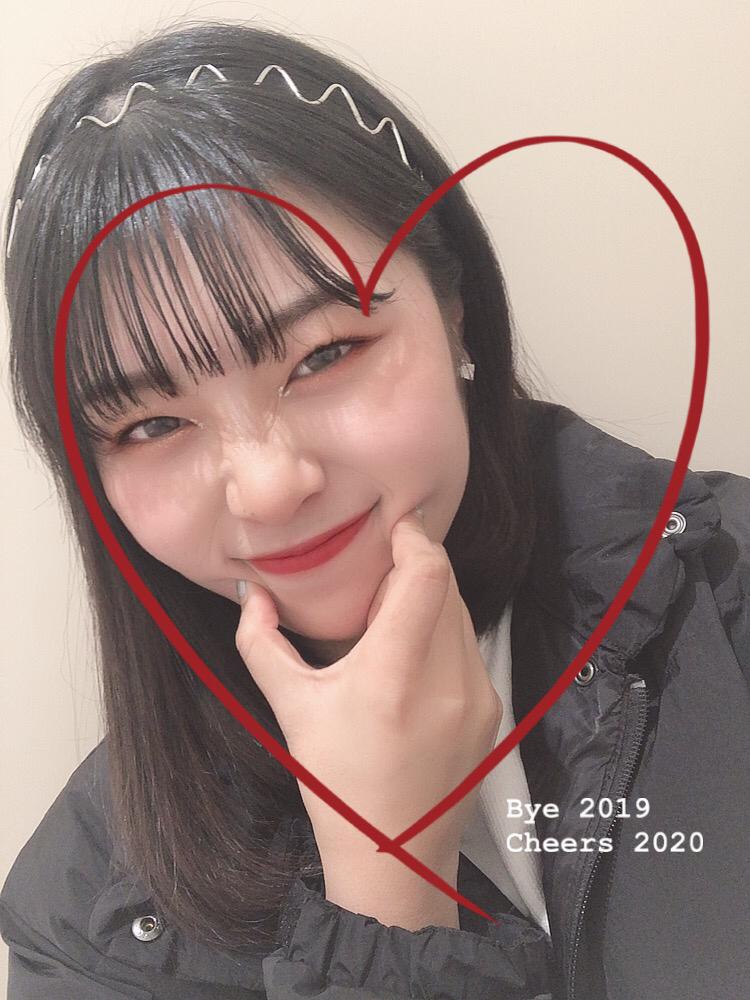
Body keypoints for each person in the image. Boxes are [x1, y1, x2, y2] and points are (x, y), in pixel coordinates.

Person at [1, 19, 748, 1000]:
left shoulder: (728, 598)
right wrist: (385, 885)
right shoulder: (84, 923)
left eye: (324, 356)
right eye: (150, 425)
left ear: (455, 312)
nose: (269, 485)